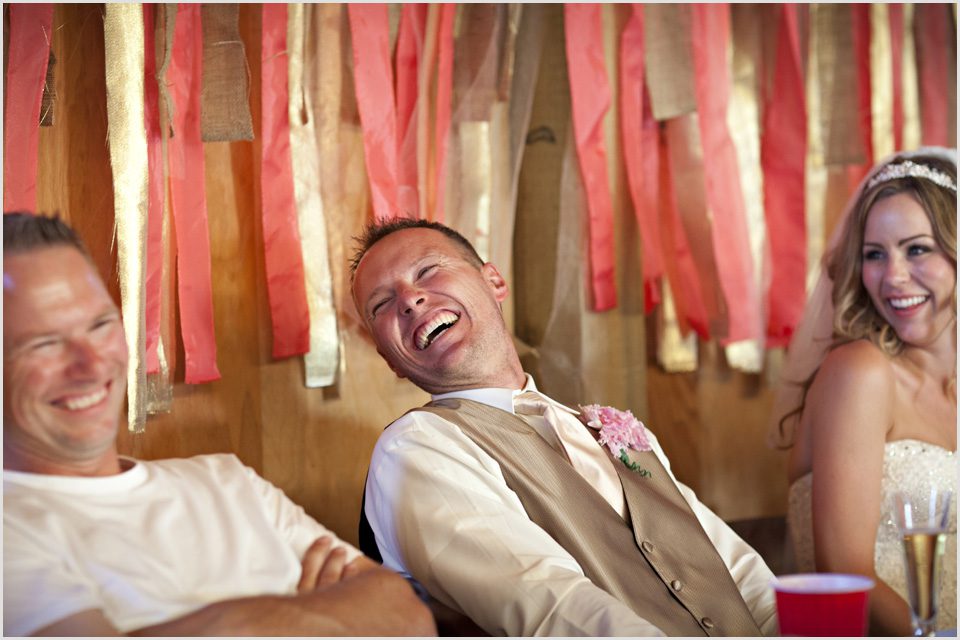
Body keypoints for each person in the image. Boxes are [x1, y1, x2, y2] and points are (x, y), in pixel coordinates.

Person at [2, 212, 436, 637]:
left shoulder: (226, 480)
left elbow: (409, 617)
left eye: (99, 325)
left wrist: (228, 623)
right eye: (44, 344)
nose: (92, 364)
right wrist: (310, 612)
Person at [349, 217, 779, 636]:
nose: (409, 299)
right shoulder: (417, 446)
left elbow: (734, 570)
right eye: (381, 305)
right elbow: (546, 604)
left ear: (494, 282)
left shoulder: (606, 430)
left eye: (427, 270)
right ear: (388, 358)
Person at [768, 148, 957, 635]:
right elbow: (847, 573)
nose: (892, 277)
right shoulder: (860, 373)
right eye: (875, 254)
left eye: (917, 249)